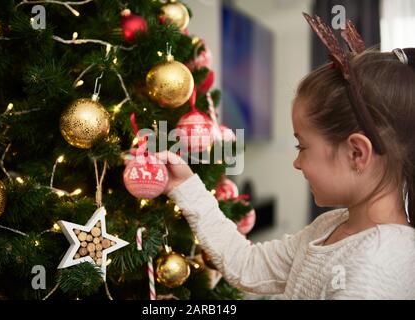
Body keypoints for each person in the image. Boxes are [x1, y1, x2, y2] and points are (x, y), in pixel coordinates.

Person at [142, 15, 415, 299]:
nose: (297, 163)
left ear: (356, 153)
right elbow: (247, 266)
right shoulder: (330, 226)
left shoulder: (380, 264)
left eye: (302, 147)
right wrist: (184, 186)